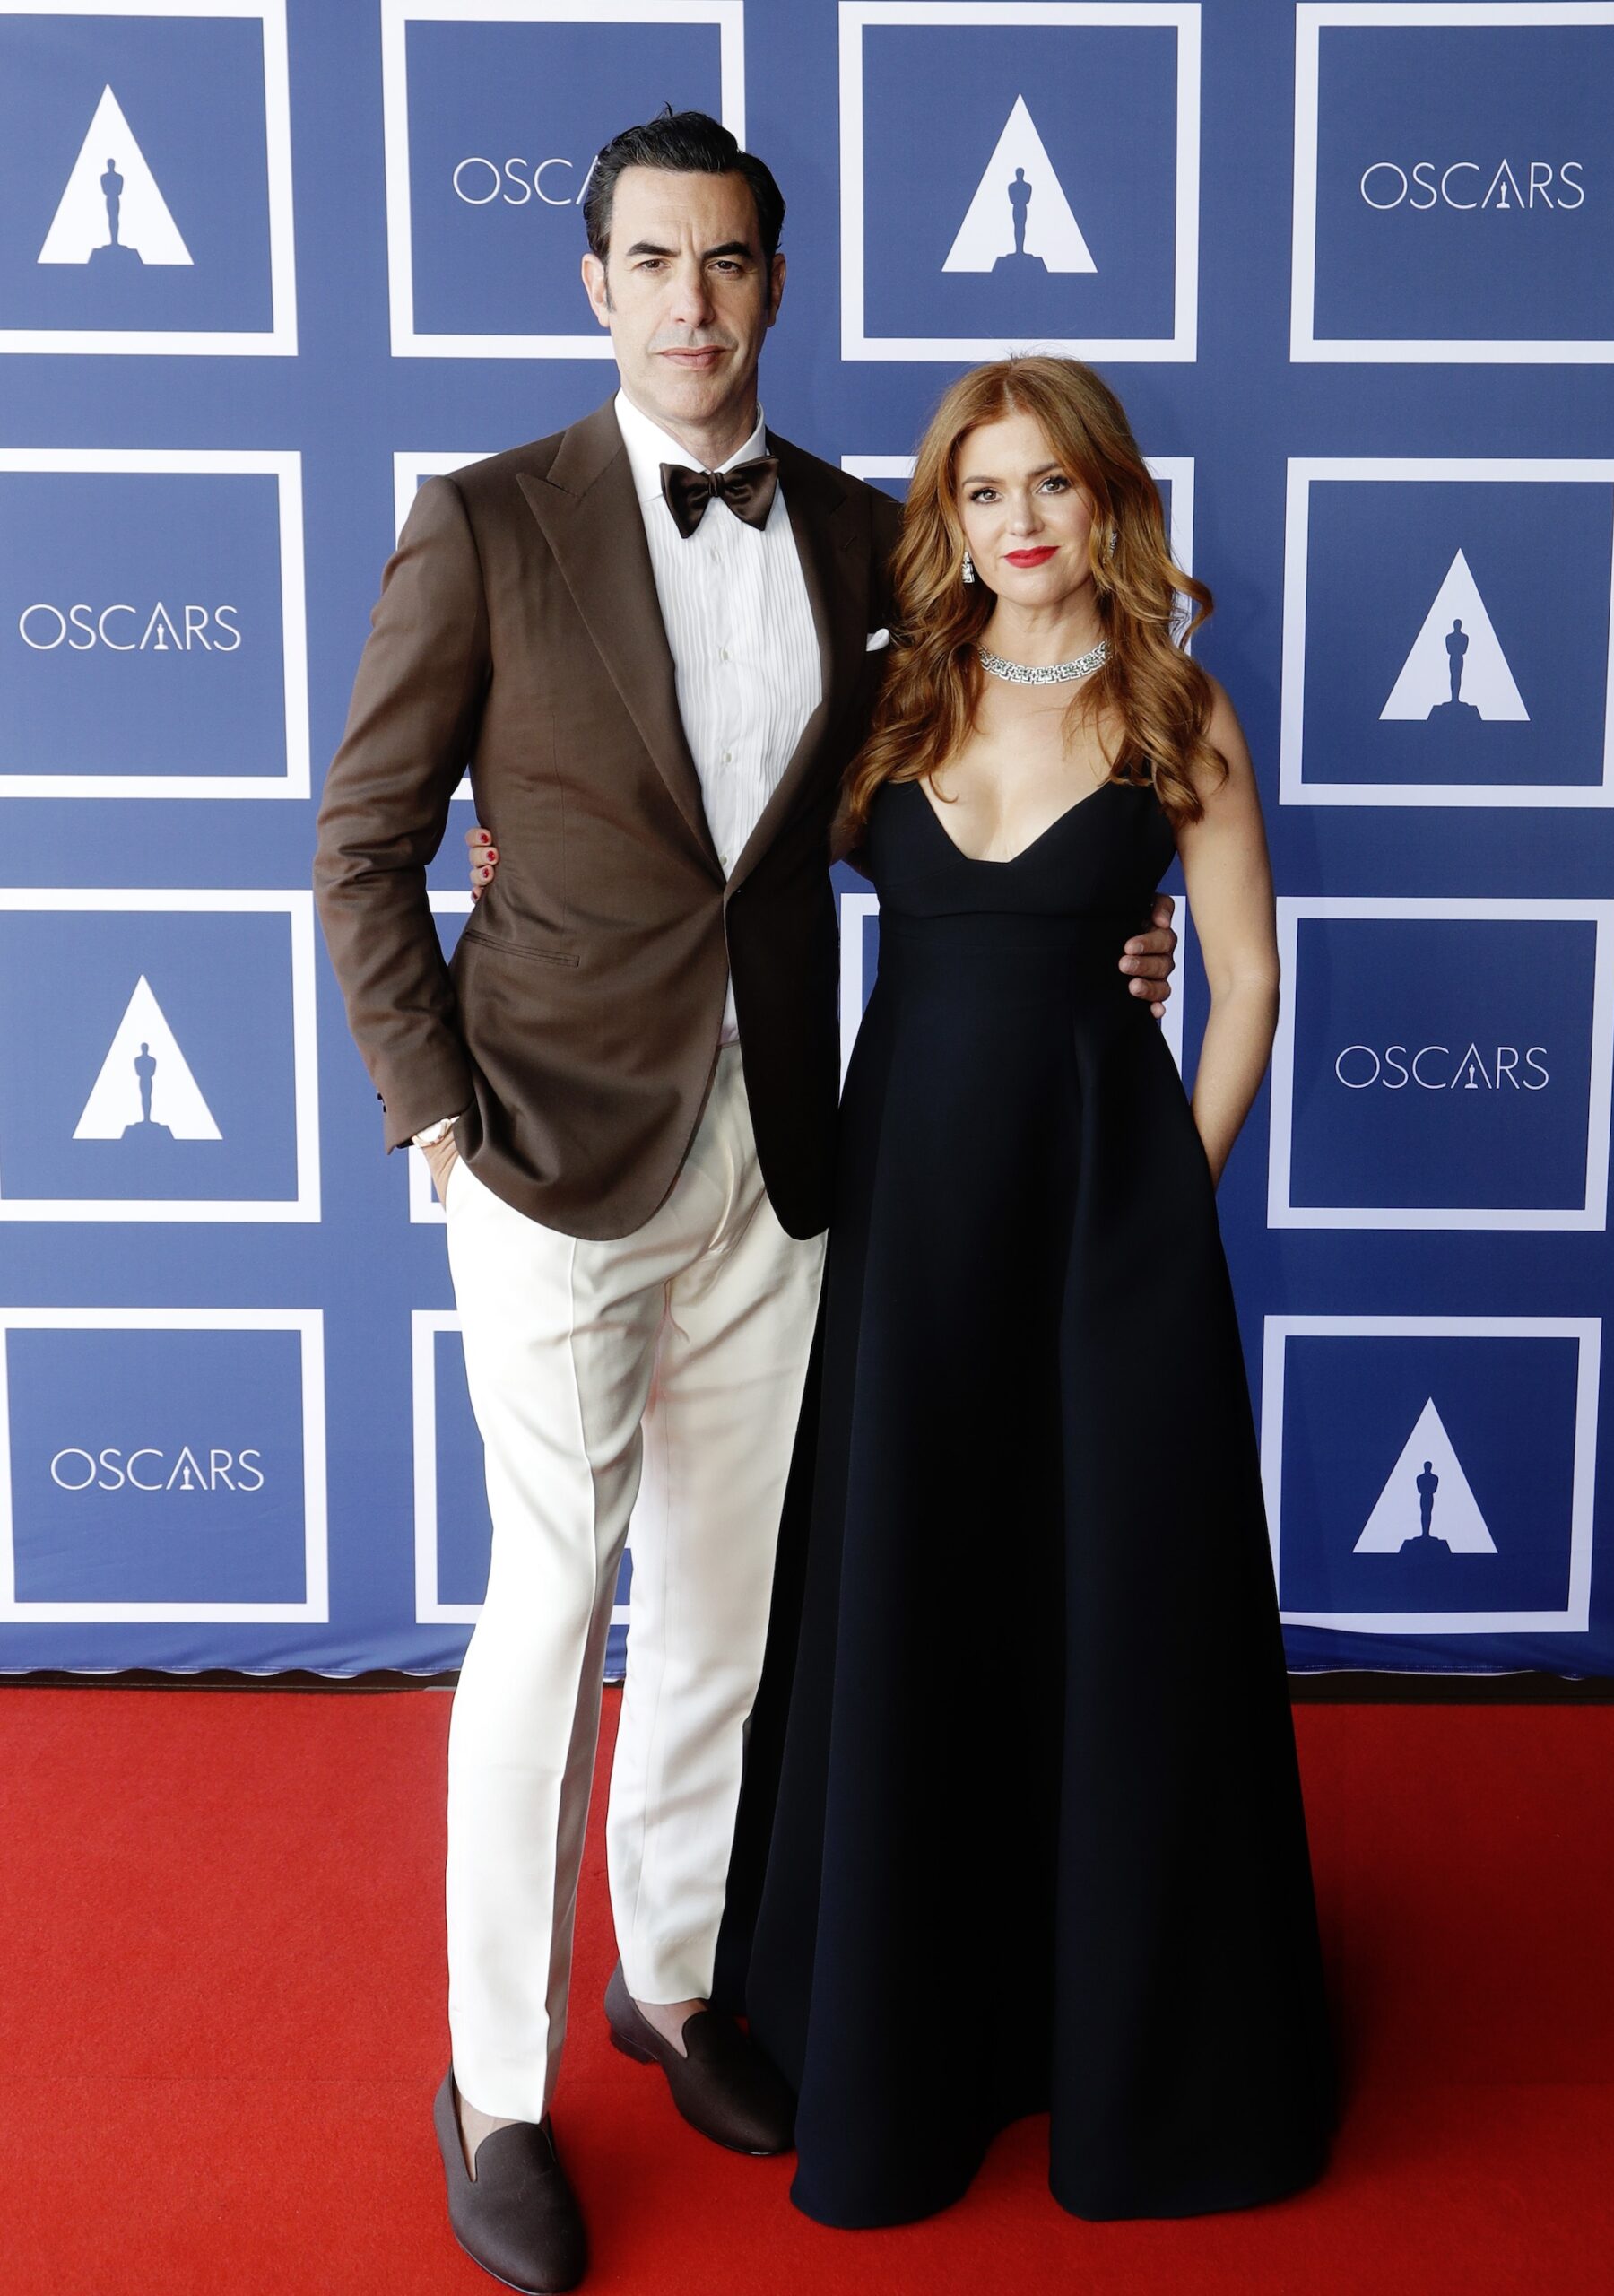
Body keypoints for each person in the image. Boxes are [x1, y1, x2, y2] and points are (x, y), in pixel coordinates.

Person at [315, 111, 1177, 2294]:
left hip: (792, 1153)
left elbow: (973, 796)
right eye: (650, 261)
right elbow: (365, 841)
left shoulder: (864, 537)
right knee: (543, 1615)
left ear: (773, 288)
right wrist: (440, 1120)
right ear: (592, 285)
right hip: (546, 1157)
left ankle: (674, 1982)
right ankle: (493, 2087)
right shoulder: (481, 522)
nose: (690, 301)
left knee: (723, 1608)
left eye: (727, 263)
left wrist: (1111, 938)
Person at [464, 356, 1335, 2231]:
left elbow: (1244, 978)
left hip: (1108, 1234)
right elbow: (718, 855)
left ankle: (1124, 2037)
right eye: (984, 489)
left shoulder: (1176, 710)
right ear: (945, 514)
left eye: (1054, 486)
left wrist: (1158, 1195)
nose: (1021, 521)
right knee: (917, 1593)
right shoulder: (895, 702)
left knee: (1109, 1608)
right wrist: (523, 843)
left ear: (1107, 500)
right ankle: (889, 2016)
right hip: (905, 1233)